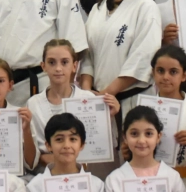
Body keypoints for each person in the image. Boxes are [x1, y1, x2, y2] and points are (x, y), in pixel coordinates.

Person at [80, 0, 162, 119]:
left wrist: (107, 93)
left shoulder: (146, 7)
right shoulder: (97, 9)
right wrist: (86, 92)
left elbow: (143, 57)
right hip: (96, 100)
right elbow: (87, 54)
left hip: (131, 99)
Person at [27, 38, 119, 168]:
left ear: (74, 66)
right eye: (52, 62)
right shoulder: (33, 104)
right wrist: (48, 158)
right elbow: (33, 154)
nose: (58, 68)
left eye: (64, 62)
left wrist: (109, 116)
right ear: (43, 66)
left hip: (85, 170)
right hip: (47, 172)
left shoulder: (89, 99)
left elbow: (102, 144)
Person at [140, 45, 186, 190]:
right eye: (160, 71)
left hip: (185, 180)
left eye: (173, 72)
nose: (166, 77)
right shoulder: (143, 108)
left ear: (184, 76)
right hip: (151, 180)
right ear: (153, 72)